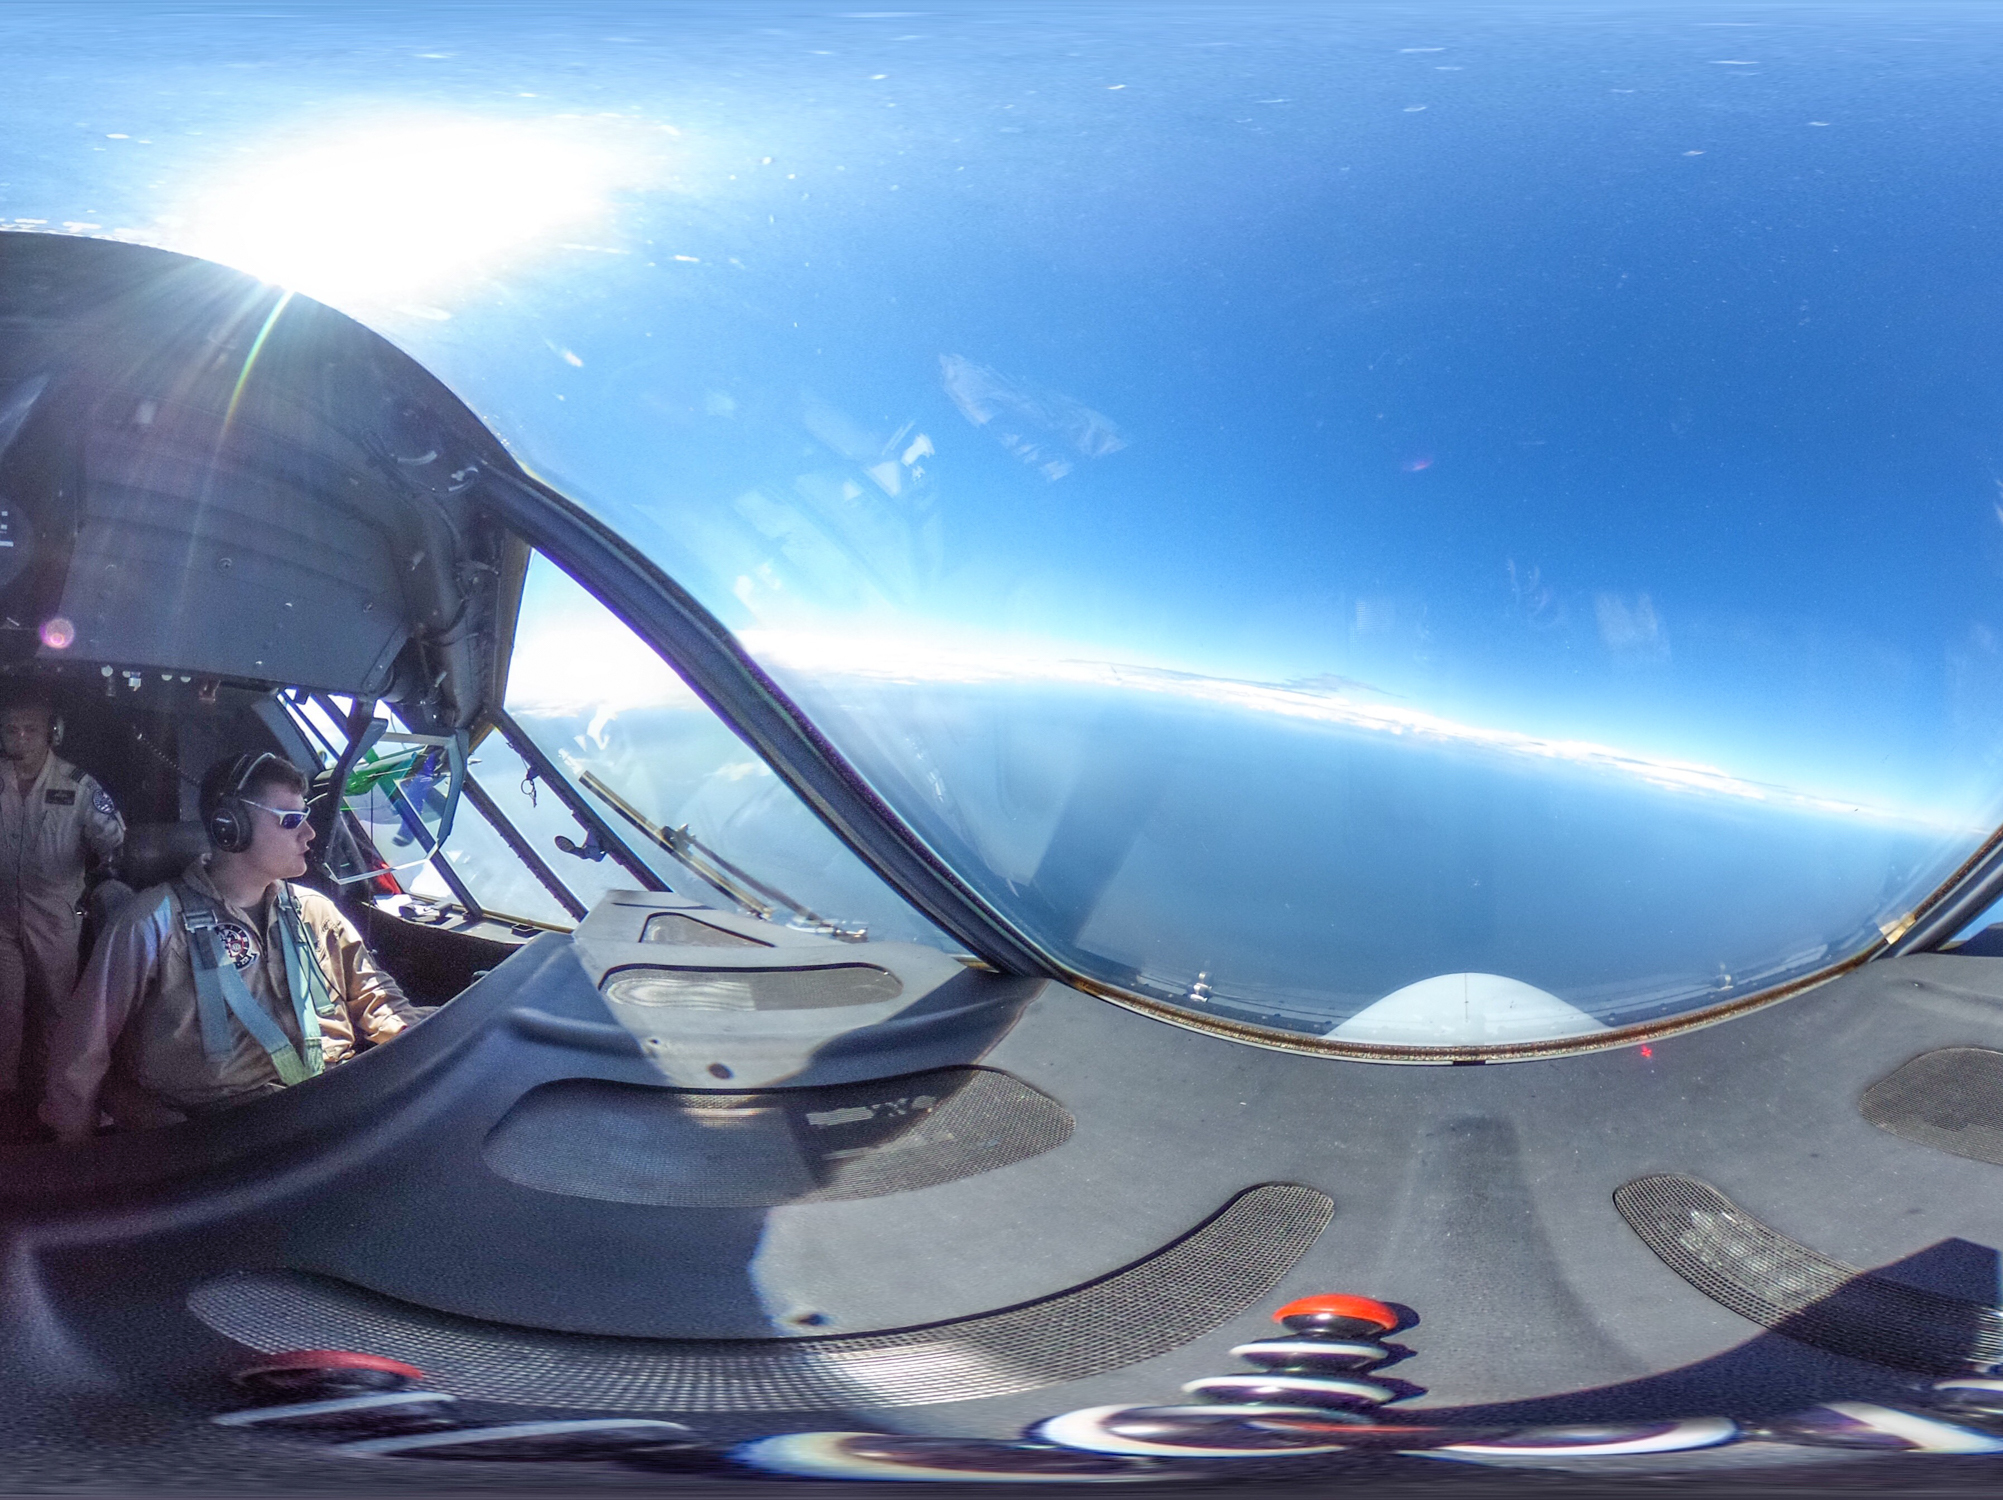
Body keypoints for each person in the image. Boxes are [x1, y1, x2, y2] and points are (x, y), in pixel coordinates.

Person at [42, 752, 419, 1142]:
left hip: (330, 1105)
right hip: (219, 1136)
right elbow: (82, 1052)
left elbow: (378, 998)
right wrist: (75, 1150)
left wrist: (423, 1044)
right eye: (290, 820)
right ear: (230, 826)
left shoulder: (316, 910)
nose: (309, 834)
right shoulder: (152, 922)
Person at [0, 690, 123, 1121]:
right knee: (4, 1007)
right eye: (11, 728)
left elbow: (114, 840)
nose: (19, 736)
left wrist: (101, 851)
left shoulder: (78, 787)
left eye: (30, 729)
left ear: (52, 733)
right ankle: (7, 1096)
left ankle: (55, 1096)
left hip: (53, 915)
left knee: (57, 1008)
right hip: (0, 918)